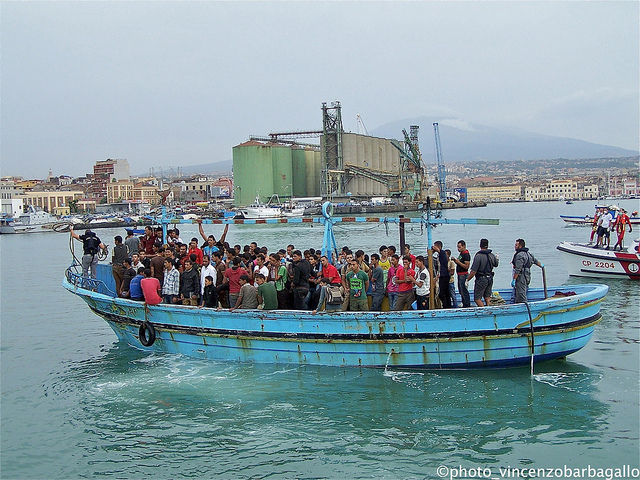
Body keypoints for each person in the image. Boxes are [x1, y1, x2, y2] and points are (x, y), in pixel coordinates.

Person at [466, 238, 499, 307]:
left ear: (480, 245)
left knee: (477, 298)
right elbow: (496, 264)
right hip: (490, 278)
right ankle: (490, 310)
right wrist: (497, 259)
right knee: (487, 297)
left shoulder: (478, 256)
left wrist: (467, 279)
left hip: (481, 279)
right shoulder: (491, 255)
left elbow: (473, 271)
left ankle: (484, 311)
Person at [511, 238, 544, 304]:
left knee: (521, 293)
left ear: (520, 246)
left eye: (516, 245)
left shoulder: (519, 255)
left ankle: (524, 307)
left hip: (521, 277)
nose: (515, 246)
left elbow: (518, 269)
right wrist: (541, 265)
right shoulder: (529, 254)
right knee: (522, 290)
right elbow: (536, 261)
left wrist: (514, 279)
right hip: (527, 275)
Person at [452, 240, 471, 308]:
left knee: (464, 291)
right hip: (460, 274)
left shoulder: (466, 254)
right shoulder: (461, 254)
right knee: (461, 290)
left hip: (463, 274)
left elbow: (466, 266)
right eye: (457, 247)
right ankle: (464, 302)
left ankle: (467, 304)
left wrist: (457, 262)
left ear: (464, 246)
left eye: (459, 247)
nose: (458, 249)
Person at [433, 241, 452, 308]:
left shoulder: (443, 253)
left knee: (442, 293)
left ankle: (446, 306)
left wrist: (435, 248)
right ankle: (448, 305)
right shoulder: (439, 254)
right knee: (446, 292)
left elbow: (439, 251)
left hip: (444, 275)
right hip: (442, 275)